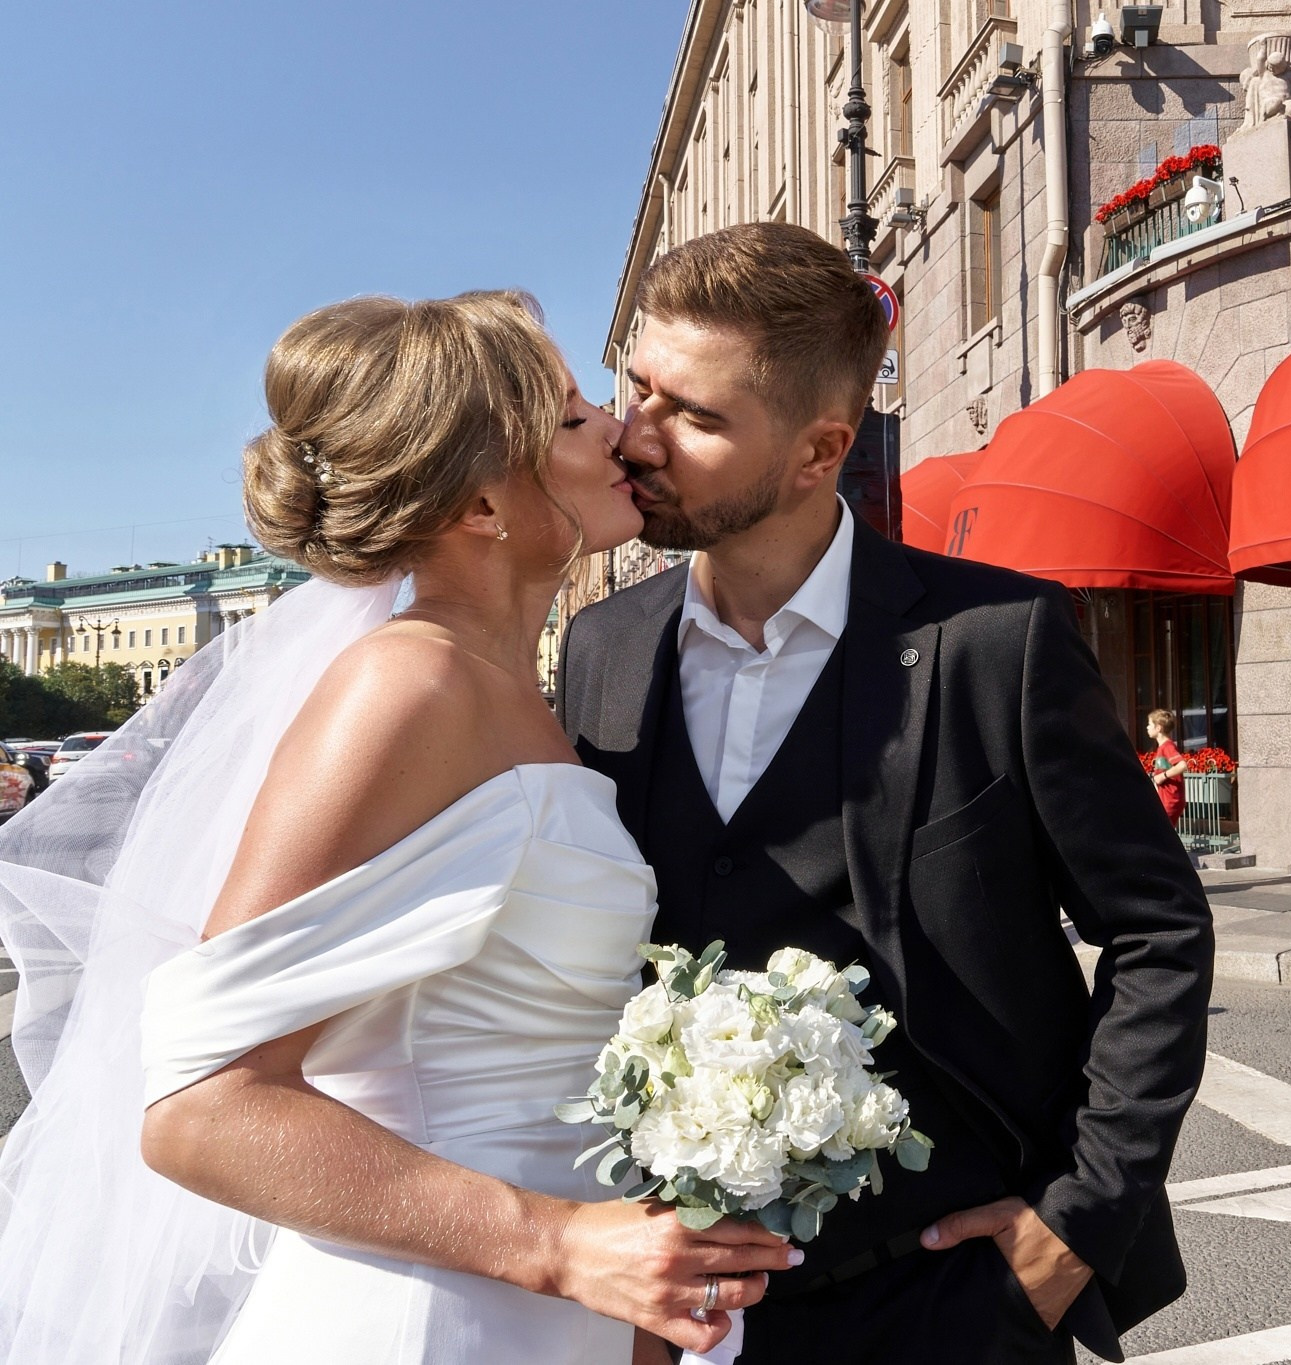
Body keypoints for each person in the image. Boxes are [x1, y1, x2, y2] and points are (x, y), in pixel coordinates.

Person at [0, 293, 795, 1365]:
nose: (619, 429)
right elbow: (199, 1105)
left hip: (551, 1313)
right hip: (431, 1316)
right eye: (572, 418)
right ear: (481, 505)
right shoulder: (404, 688)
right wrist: (554, 1243)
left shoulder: (503, 689)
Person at [558, 222, 1214, 1365]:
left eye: (694, 417)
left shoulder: (995, 640)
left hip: (947, 1298)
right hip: (682, 1304)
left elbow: (1157, 930)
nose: (638, 437)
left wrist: (1078, 1221)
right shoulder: (602, 648)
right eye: (638, 392)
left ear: (819, 452)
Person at [1146, 708, 1189, 823]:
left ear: (1158, 728)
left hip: (1171, 800)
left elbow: (1182, 765)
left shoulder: (1167, 746)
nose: (1147, 727)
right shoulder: (1162, 748)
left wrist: (1162, 776)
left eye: (1149, 724)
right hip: (1165, 799)